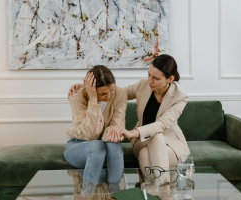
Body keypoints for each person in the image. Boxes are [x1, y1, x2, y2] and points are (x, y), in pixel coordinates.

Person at [68, 55, 190, 188]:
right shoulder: (143, 86)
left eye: (156, 78)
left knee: (155, 139)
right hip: (142, 143)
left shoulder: (180, 97)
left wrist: (133, 133)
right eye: (149, 74)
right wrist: (88, 87)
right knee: (146, 150)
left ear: (170, 79)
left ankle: (154, 189)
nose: (150, 80)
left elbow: (162, 124)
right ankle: (164, 192)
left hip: (170, 147)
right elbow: (115, 93)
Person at [64, 65, 127, 194]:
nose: (109, 97)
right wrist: (93, 101)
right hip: (78, 145)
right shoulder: (77, 96)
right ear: (90, 89)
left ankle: (117, 194)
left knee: (114, 145)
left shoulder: (120, 94)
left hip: (106, 147)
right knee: (97, 145)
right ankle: (88, 196)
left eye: (112, 90)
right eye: (103, 94)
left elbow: (115, 127)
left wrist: (113, 134)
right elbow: (90, 136)